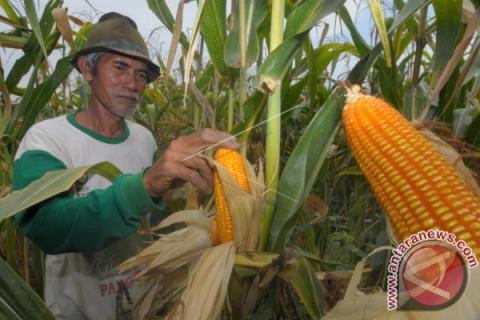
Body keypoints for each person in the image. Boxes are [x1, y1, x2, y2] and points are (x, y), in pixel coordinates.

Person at [12, 12, 238, 320]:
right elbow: (46, 225)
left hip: (144, 306)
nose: (133, 84)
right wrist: (144, 186)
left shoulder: (144, 139)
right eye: (120, 68)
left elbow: (153, 223)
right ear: (86, 69)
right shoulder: (47, 140)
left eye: (141, 74)